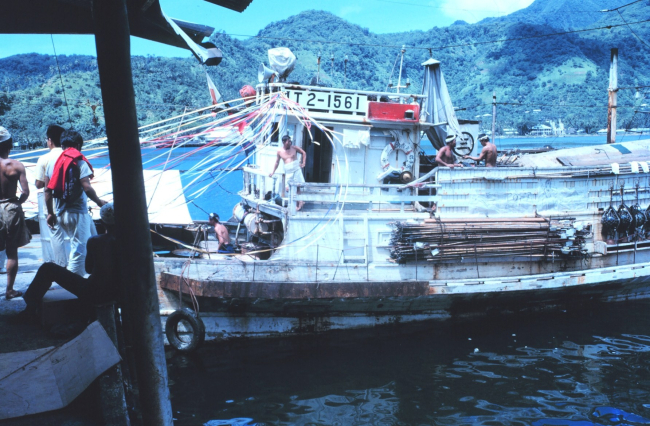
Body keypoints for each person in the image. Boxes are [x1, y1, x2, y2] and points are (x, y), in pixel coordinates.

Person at [20, 203, 118, 318]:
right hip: (121, 293)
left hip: (95, 293)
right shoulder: (133, 242)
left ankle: (30, 309)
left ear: (102, 222)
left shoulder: (96, 241)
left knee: (48, 268)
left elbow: (89, 269)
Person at [45, 130, 107, 276]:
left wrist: (50, 213)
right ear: (78, 145)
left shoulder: (52, 163)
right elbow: (86, 186)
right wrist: (98, 201)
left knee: (91, 238)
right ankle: (73, 281)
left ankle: (95, 272)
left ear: (62, 144)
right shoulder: (80, 161)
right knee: (79, 249)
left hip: (60, 213)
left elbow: (47, 191)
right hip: (77, 213)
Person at [0, 126, 31, 300]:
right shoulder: (16, 165)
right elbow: (25, 192)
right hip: (11, 208)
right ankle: (9, 290)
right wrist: (17, 203)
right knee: (12, 252)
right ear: (8, 144)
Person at [35, 124, 68, 266]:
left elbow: (39, 184)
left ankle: (61, 267)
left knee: (56, 236)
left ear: (50, 140)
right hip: (72, 199)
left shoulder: (44, 159)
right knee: (75, 236)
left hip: (53, 202)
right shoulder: (71, 155)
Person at [269, 135, 307, 210]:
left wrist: (303, 163)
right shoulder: (280, 151)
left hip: (296, 169)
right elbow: (277, 162)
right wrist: (273, 171)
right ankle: (298, 202)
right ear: (284, 142)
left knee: (298, 187)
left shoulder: (294, 148)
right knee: (288, 188)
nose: (290, 143)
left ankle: (299, 203)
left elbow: (303, 152)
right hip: (289, 171)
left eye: (290, 141)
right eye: (288, 142)